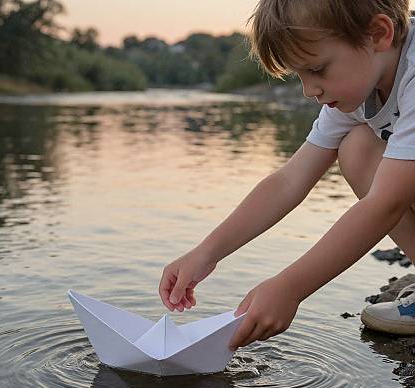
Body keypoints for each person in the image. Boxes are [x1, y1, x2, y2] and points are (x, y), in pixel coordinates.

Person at [159, 0, 415, 348]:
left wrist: (290, 288)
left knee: (384, 177)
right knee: (357, 149)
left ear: (378, 34)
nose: (310, 91)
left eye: (318, 69)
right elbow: (289, 180)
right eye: (300, 75)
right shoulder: (363, 83)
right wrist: (206, 253)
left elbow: (386, 203)